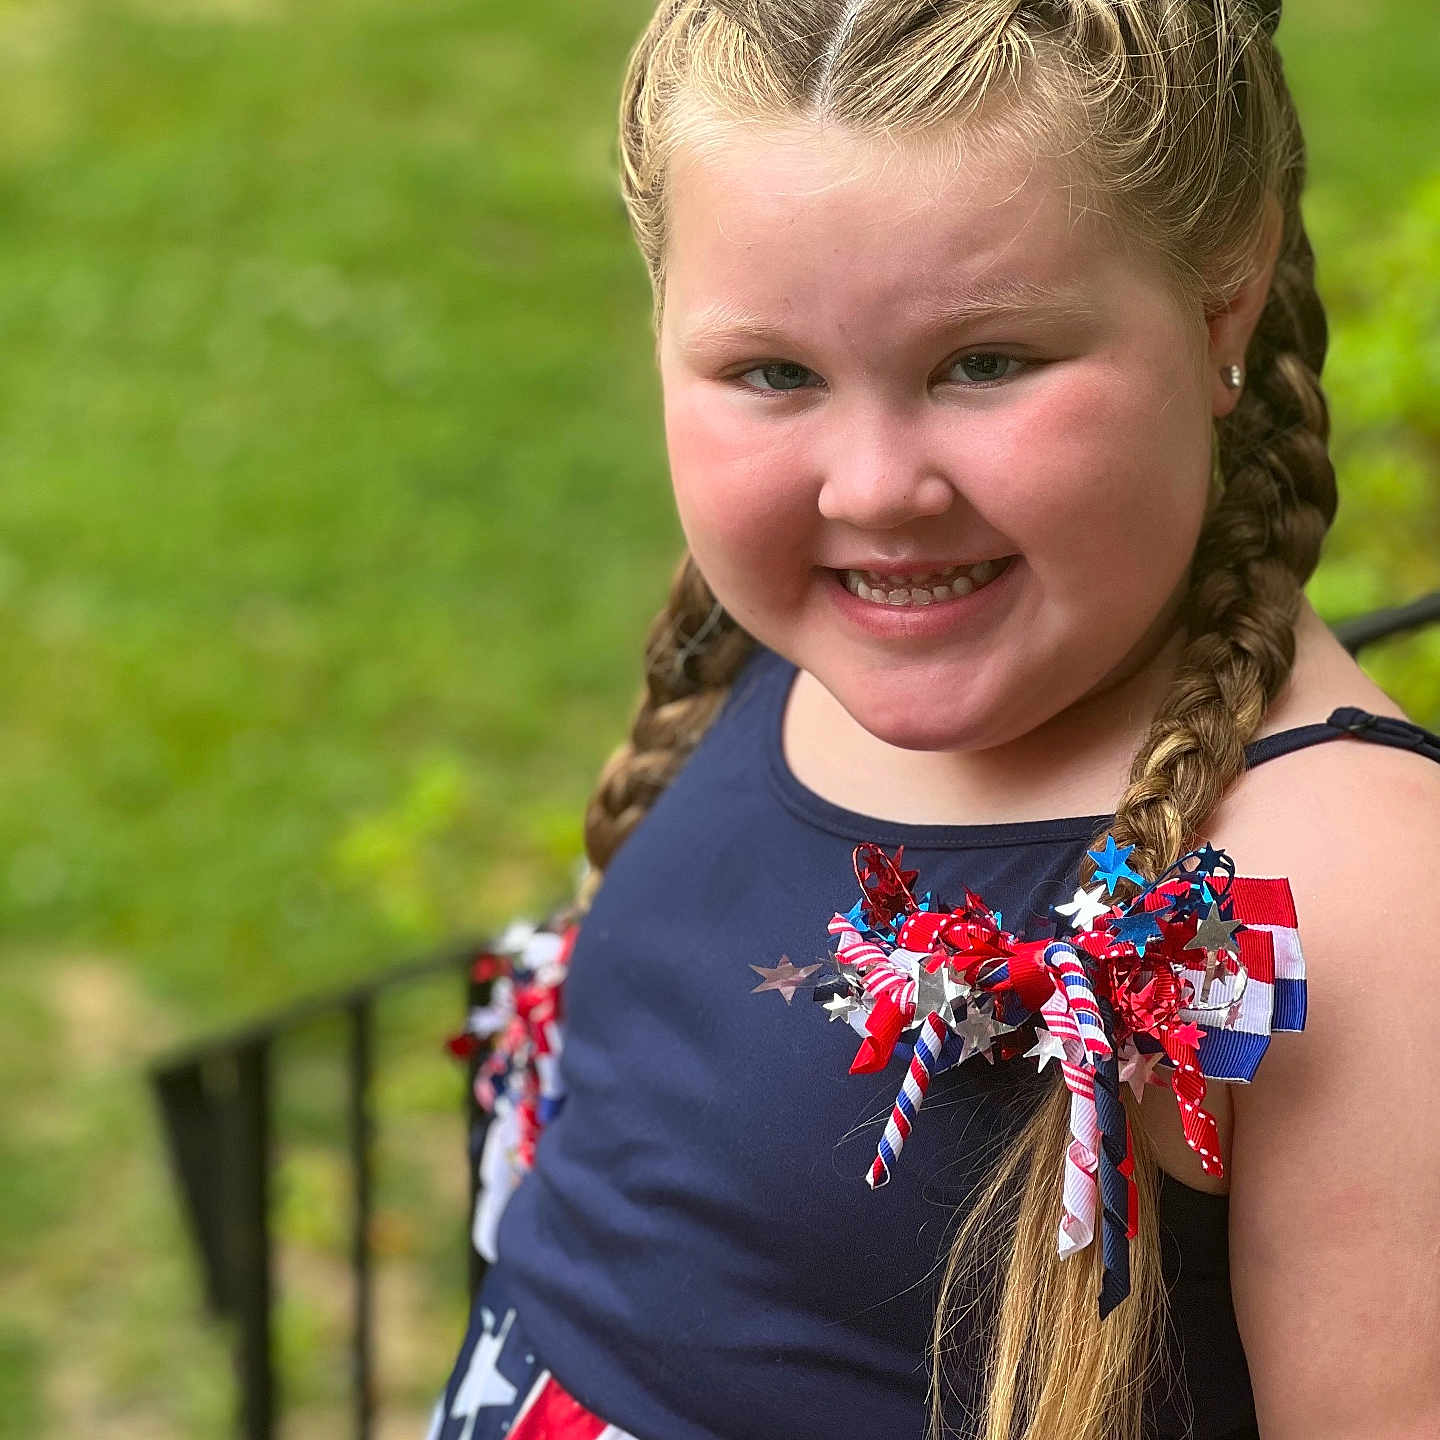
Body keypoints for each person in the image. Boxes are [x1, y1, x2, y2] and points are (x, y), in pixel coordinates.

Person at [428, 3, 1440, 1438]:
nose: (872, 490)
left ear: (1227, 289)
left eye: (987, 363)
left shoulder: (1364, 901)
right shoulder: (802, 658)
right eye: (773, 374)